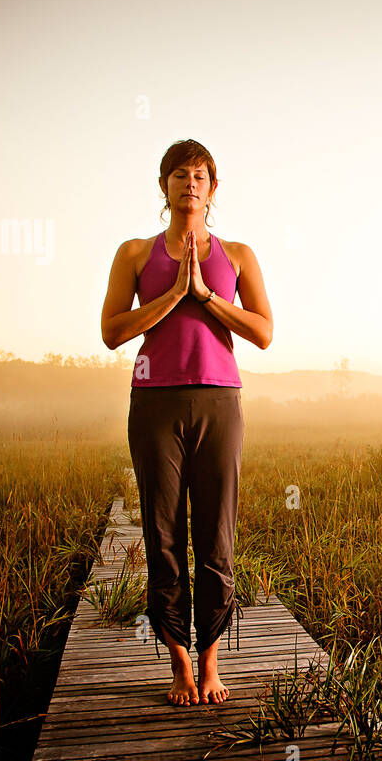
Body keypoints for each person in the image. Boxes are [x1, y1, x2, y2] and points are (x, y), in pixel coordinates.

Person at [100, 139, 274, 706]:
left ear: (212, 189)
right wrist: (174, 293)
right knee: (164, 533)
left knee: (216, 536)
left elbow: (264, 333)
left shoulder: (239, 254)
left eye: (200, 176)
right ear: (164, 186)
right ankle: (178, 663)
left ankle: (211, 661)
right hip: (155, 403)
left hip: (219, 402)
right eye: (179, 175)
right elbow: (112, 331)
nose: (189, 184)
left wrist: (205, 295)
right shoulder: (134, 253)